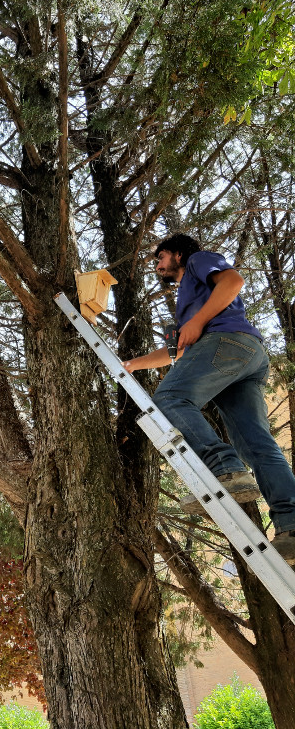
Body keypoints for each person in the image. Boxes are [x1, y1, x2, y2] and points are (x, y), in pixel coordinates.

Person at [123, 233, 295, 564]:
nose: (157, 265)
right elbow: (181, 348)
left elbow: (233, 281)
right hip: (243, 355)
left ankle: (224, 467)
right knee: (256, 444)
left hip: (229, 343)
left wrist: (199, 320)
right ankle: (292, 525)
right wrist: (133, 364)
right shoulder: (188, 298)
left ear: (176, 254)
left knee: (170, 398)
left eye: (160, 257)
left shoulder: (198, 262)